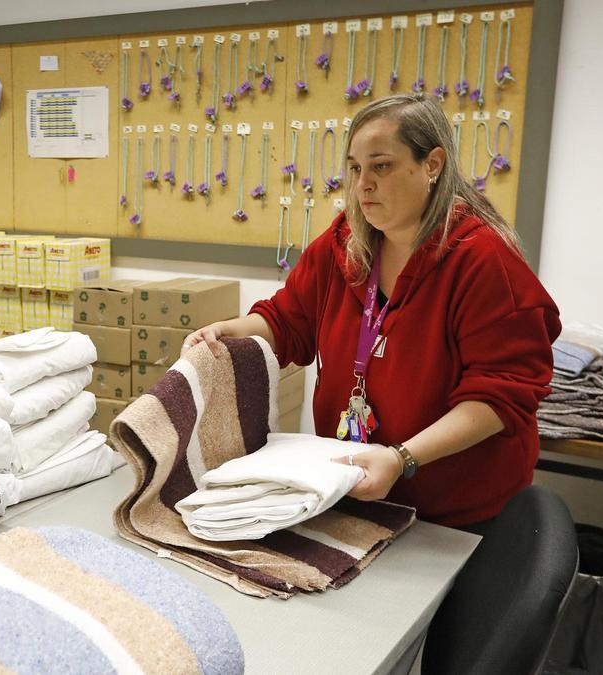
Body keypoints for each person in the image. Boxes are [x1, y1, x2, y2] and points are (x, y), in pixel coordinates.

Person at [183, 95, 560, 527]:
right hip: (354, 490)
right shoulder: (346, 240)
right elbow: (289, 319)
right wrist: (231, 329)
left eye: (381, 166)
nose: (363, 184)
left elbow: (499, 397)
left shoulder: (483, 261)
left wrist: (402, 458)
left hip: (453, 513)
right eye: (355, 167)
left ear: (432, 165)